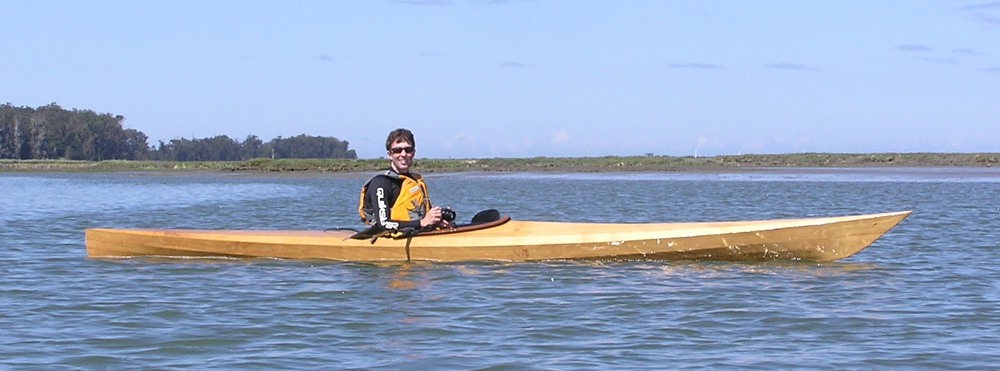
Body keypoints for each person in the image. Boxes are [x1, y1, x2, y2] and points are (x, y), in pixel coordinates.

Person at [358, 128, 451, 236]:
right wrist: (422, 222)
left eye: (408, 150)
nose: (403, 154)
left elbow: (423, 218)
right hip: (390, 239)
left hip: (416, 234)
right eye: (397, 150)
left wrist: (436, 221)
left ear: (413, 153)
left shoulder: (414, 181)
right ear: (389, 154)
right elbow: (383, 224)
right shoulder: (380, 183)